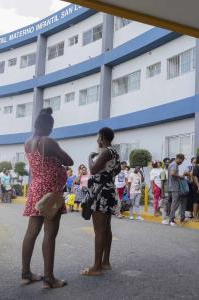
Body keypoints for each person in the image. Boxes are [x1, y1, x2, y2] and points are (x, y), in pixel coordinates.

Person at [22, 108, 73, 289]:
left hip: (36, 189)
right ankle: (49, 278)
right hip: (50, 192)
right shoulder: (48, 142)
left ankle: (26, 273)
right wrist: (59, 161)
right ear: (47, 126)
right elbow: (69, 161)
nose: (52, 130)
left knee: (31, 233)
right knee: (50, 235)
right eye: (51, 126)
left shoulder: (28, 143)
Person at [82, 127, 121, 276]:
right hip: (108, 191)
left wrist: (90, 159)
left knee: (99, 230)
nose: (97, 140)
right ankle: (105, 262)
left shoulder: (105, 152)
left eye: (98, 137)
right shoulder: (115, 152)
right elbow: (116, 170)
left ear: (102, 137)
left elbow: (92, 170)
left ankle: (96, 267)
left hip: (100, 194)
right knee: (106, 228)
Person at [168, 153, 187, 226]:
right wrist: (180, 176)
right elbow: (172, 174)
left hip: (174, 186)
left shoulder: (173, 164)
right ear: (179, 158)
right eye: (182, 161)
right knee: (174, 203)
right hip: (174, 187)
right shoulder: (174, 164)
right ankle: (171, 220)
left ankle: (181, 216)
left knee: (178, 202)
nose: (182, 162)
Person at [161, 158, 172, 225]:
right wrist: (162, 193)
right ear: (164, 163)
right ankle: (164, 218)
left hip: (172, 190)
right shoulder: (163, 172)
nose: (168, 163)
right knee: (165, 205)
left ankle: (169, 218)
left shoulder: (171, 171)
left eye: (169, 162)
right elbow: (162, 183)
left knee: (170, 205)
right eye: (166, 162)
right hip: (166, 190)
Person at [192, 155, 199, 220]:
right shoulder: (196, 167)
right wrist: (198, 186)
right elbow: (195, 177)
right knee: (196, 201)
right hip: (197, 186)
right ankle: (195, 215)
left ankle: (198, 214)